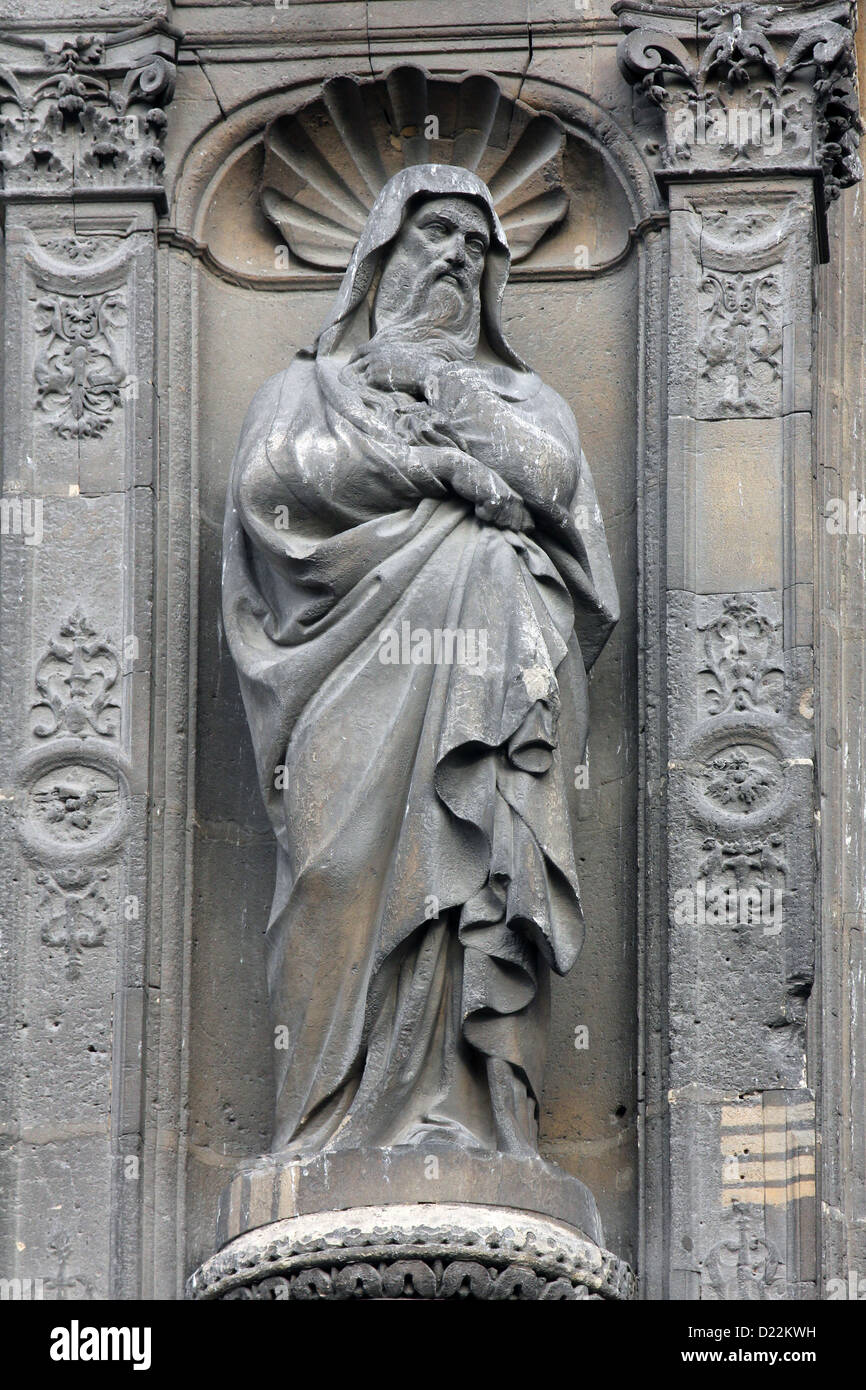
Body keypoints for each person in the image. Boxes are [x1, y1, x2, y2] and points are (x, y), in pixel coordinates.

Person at [222, 163, 618, 1159]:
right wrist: (433, 466)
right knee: (335, 874)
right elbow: (274, 488)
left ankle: (471, 1119)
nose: (453, 256)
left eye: (475, 245)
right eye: (432, 233)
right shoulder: (305, 389)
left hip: (482, 687)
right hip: (342, 678)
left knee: (470, 881)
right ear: (379, 253)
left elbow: (553, 484)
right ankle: (321, 1133)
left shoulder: (523, 398)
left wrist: (440, 385)